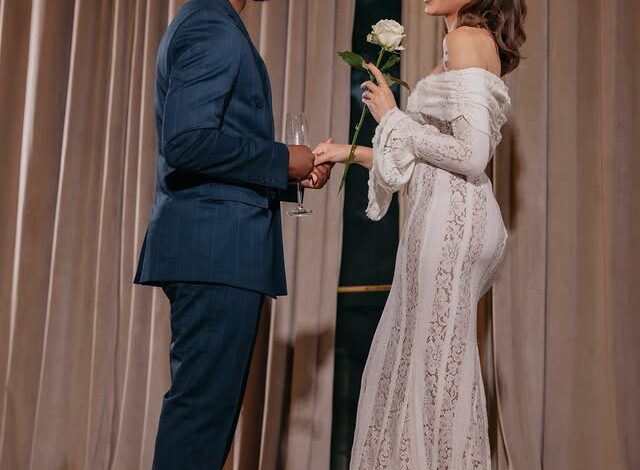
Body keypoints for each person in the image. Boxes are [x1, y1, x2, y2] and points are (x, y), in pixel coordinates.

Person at [313, 0, 526, 467]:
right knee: (427, 359)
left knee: (434, 366)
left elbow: (472, 155)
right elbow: (428, 154)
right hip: (450, 212)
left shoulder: (464, 39)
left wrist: (392, 116)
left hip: (453, 220)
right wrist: (350, 152)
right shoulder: (463, 42)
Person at [133, 0, 333, 469]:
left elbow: (208, 143)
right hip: (216, 250)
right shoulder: (211, 24)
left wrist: (288, 175)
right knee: (201, 420)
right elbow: (186, 141)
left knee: (206, 419)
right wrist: (281, 159)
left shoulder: (208, 20)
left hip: (215, 248)